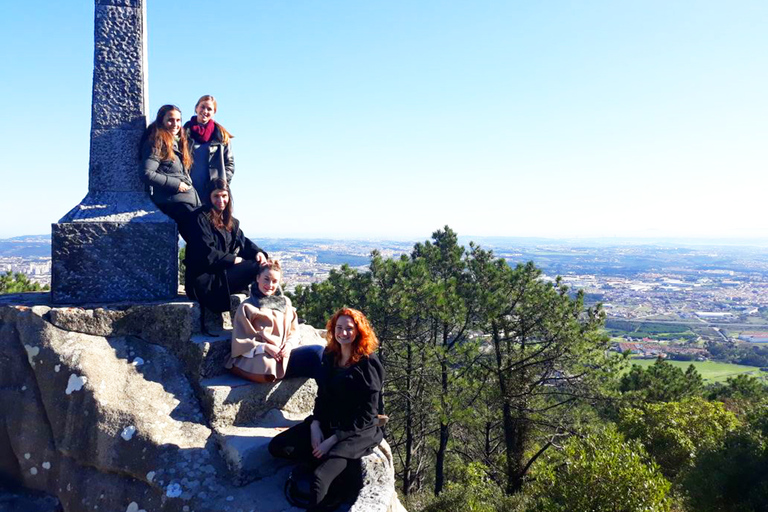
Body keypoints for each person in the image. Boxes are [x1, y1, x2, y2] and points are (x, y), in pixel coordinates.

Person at [269, 308, 385, 511]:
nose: (343, 333)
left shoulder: (368, 363)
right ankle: (333, 472)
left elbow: (367, 414)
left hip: (355, 431)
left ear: (359, 331)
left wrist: (333, 440)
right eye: (339, 328)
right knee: (279, 446)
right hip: (328, 421)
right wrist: (315, 425)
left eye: (349, 328)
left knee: (319, 479)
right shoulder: (330, 355)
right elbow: (322, 395)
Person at [184, 178, 267, 314]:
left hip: (222, 275)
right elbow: (206, 253)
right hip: (205, 281)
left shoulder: (231, 222)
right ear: (209, 197)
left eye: (224, 196)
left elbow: (243, 242)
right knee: (257, 267)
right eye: (216, 196)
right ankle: (268, 310)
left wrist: (258, 252)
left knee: (266, 265)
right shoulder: (199, 218)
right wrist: (235, 260)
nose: (220, 200)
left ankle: (275, 311)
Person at [226, 260, 303, 383]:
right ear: (258, 278)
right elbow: (241, 339)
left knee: (316, 355)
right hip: (260, 353)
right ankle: (236, 368)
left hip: (284, 351)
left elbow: (294, 331)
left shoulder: (285, 303)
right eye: (266, 279)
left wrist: (288, 345)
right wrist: (265, 347)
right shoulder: (247, 306)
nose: (270, 285)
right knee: (267, 369)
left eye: (274, 281)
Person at [140, 104, 201, 233]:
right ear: (161, 121)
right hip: (175, 203)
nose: (175, 124)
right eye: (170, 120)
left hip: (187, 201)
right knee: (201, 238)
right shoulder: (157, 143)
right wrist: (176, 184)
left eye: (178, 120)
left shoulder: (178, 143)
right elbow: (146, 173)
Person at [184, 95, 235, 202]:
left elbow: (229, 164)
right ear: (196, 108)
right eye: (202, 107)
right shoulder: (184, 133)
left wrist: (221, 184)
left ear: (214, 112)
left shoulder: (221, 136)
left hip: (213, 193)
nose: (205, 111)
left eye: (209, 109)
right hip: (189, 189)